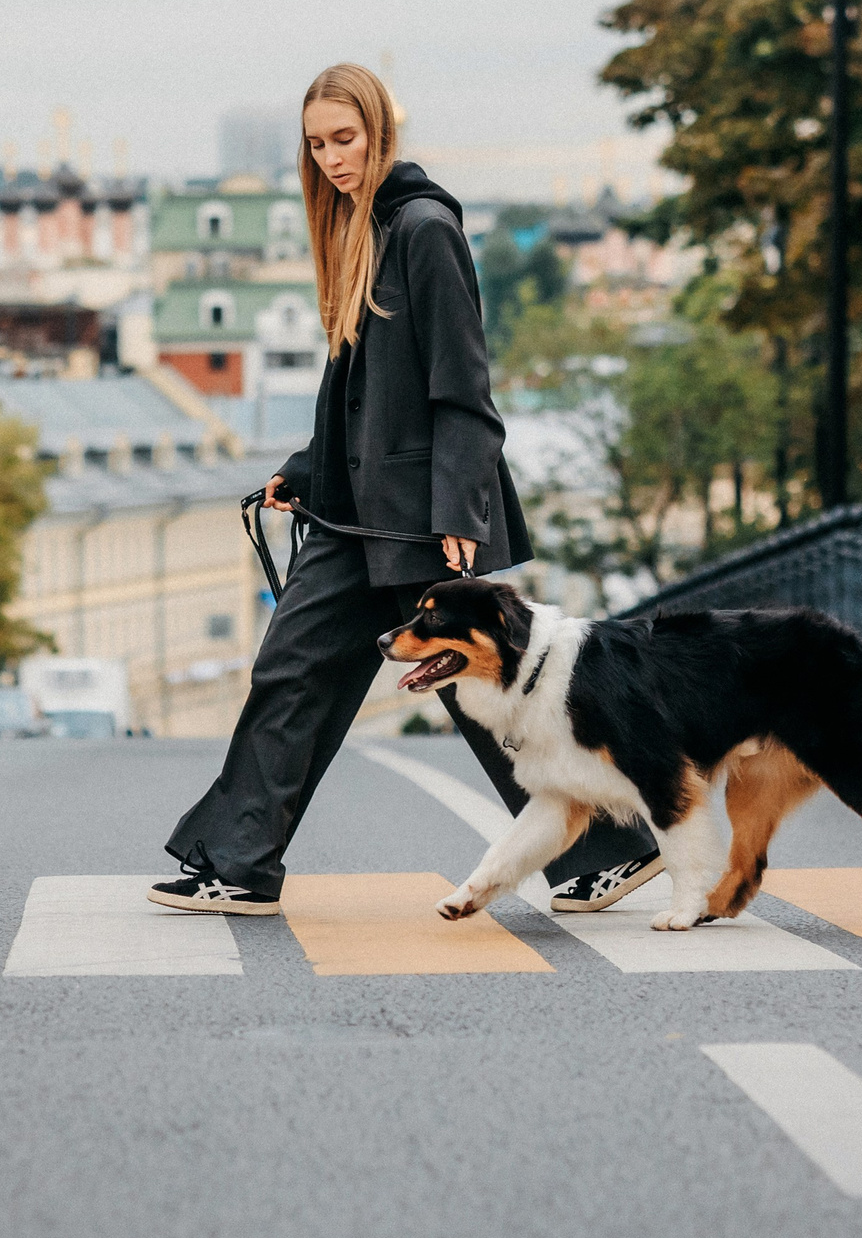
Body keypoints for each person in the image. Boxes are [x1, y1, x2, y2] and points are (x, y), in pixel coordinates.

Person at [151, 61, 663, 915]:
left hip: (422, 516)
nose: (332, 159)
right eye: (317, 145)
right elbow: (360, 392)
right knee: (292, 670)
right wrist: (303, 470)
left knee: (482, 693)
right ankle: (238, 862)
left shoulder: (424, 228)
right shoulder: (360, 227)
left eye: (345, 139)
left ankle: (609, 845)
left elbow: (463, 384)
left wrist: (459, 509)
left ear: (381, 131)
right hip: (352, 515)